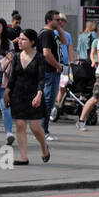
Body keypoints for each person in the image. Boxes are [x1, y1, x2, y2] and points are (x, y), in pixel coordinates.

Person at [4, 29, 50, 165]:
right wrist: (7, 92)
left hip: (34, 94)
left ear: (32, 42)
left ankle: (44, 147)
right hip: (17, 95)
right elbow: (12, 77)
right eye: (19, 39)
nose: (19, 41)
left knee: (35, 127)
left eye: (23, 39)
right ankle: (23, 157)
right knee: (20, 125)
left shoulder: (40, 57)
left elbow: (42, 79)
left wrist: (39, 94)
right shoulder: (16, 56)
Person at [37, 11, 64, 140]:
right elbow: (46, 53)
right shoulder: (46, 34)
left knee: (49, 100)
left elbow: (64, 42)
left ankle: (43, 129)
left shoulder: (53, 33)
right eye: (57, 20)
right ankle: (43, 131)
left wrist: (59, 29)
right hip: (49, 71)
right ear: (49, 20)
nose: (59, 22)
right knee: (48, 101)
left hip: (52, 71)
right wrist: (57, 66)